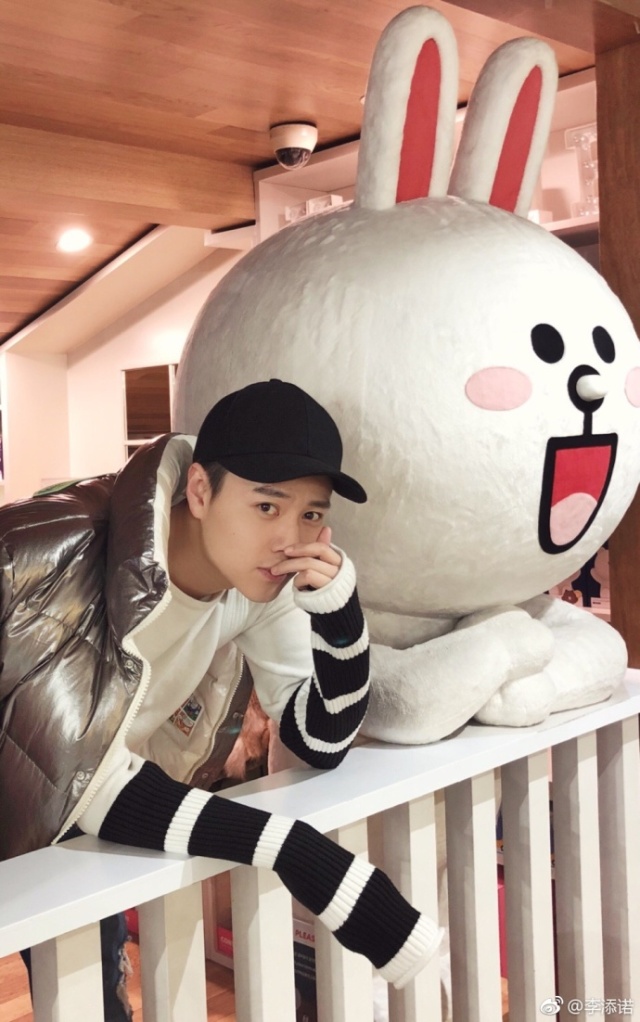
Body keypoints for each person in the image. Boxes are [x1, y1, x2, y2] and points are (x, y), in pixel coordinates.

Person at [2, 380, 442, 1020]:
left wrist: (341, 618)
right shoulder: (58, 559)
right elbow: (81, 778)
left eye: (311, 514)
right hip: (38, 792)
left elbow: (319, 738)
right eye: (267, 506)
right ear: (201, 492)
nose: (290, 538)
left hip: (49, 817)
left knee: (89, 989)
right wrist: (299, 852)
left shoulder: (255, 583)